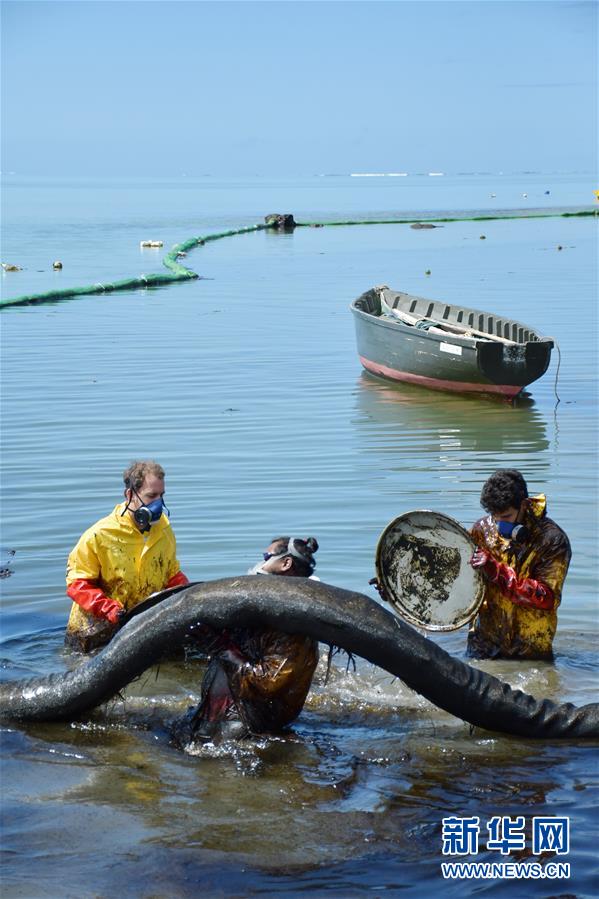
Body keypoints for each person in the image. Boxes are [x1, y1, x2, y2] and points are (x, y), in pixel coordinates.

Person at [175, 536, 320, 743]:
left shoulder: (292, 625)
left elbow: (267, 685)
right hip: (223, 713)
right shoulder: (261, 609)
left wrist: (224, 650)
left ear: (285, 563)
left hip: (248, 725)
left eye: (266, 556)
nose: (260, 563)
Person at [65, 460, 188, 652]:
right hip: (93, 636)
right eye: (151, 496)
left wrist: (189, 594)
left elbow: (171, 576)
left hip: (138, 631)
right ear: (130, 495)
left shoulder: (164, 531)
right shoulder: (99, 535)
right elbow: (77, 585)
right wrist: (109, 609)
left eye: (161, 496)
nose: (158, 504)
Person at [467, 469, 571, 660]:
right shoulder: (482, 530)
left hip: (529, 649)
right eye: (493, 515)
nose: (498, 523)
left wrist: (497, 572)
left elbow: (547, 599)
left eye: (505, 516)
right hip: (483, 644)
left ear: (523, 505)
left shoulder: (551, 540)